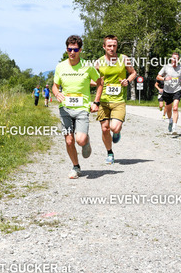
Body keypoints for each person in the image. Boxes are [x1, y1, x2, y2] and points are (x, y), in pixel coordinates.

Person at [52, 35, 103, 179]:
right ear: (66, 49)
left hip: (82, 108)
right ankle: (76, 167)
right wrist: (57, 94)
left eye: (75, 49)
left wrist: (96, 102)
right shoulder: (60, 66)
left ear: (80, 50)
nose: (72, 52)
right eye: (70, 49)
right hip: (65, 109)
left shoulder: (88, 66)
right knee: (69, 140)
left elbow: (100, 83)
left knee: (80, 140)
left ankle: (86, 141)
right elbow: (55, 86)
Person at [94, 35, 137, 165]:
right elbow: (91, 80)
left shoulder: (124, 59)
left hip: (119, 100)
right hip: (103, 100)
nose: (112, 48)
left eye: (114, 46)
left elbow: (133, 73)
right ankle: (110, 153)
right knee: (105, 129)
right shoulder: (98, 62)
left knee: (114, 128)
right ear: (104, 47)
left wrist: (127, 81)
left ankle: (117, 132)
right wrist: (95, 83)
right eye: (109, 46)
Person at [157, 51, 181, 134]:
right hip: (167, 91)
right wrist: (164, 79)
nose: (174, 60)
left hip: (177, 90)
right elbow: (158, 77)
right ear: (171, 59)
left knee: (175, 108)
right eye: (173, 58)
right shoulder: (166, 67)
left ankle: (174, 127)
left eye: (176, 58)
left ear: (178, 59)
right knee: (168, 109)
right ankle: (170, 121)